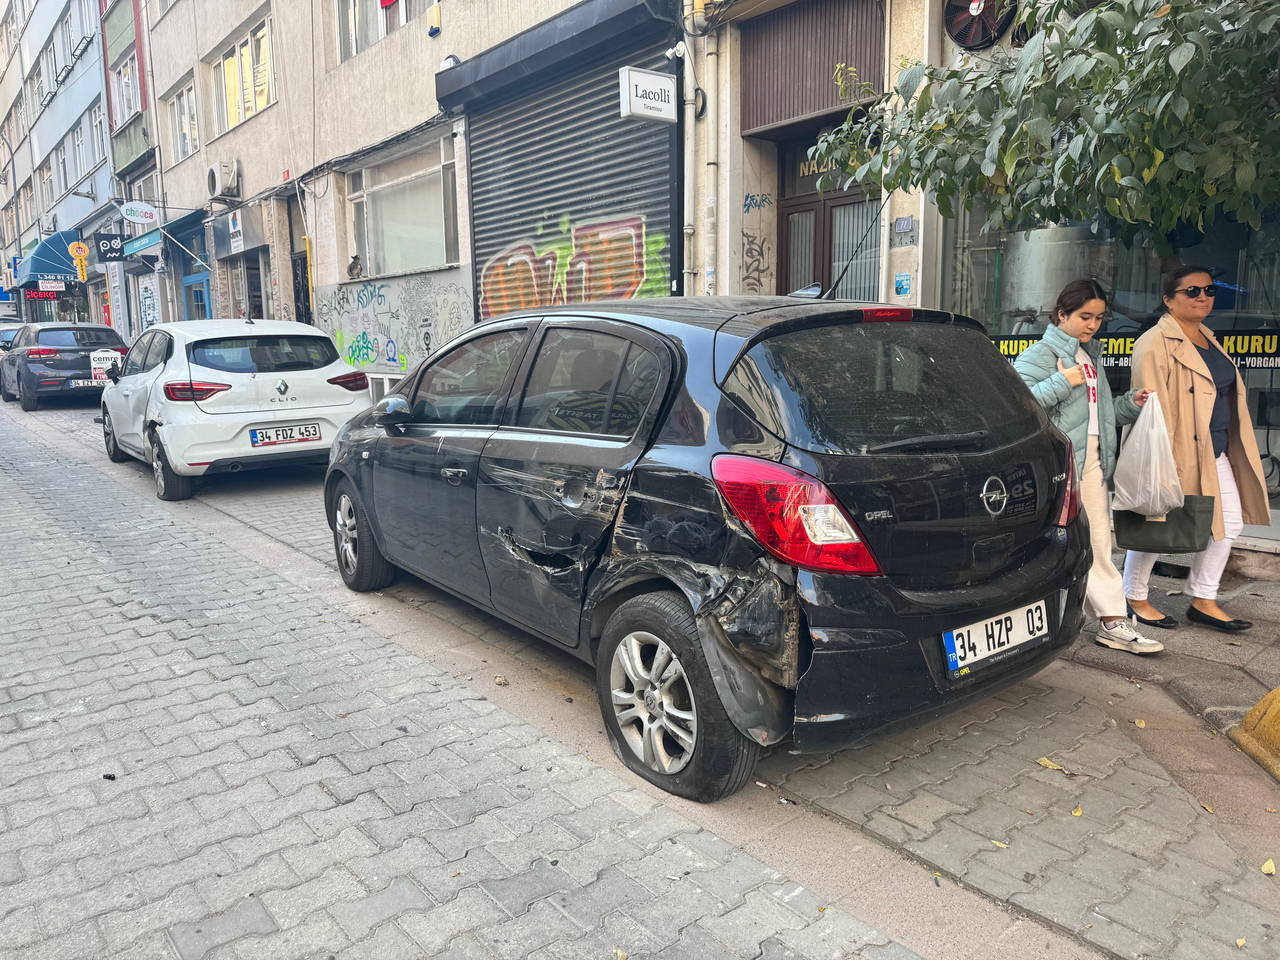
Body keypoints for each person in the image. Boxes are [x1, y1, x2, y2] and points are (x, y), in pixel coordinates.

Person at [1014, 279, 1163, 655]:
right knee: (1083, 542)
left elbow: (1099, 415)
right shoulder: (1040, 355)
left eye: (1099, 318)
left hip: (1091, 464)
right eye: (1085, 316)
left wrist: (1131, 403)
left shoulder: (1089, 356)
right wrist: (1061, 382)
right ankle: (1110, 620)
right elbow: (1019, 407)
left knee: (1095, 541)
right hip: (1061, 467)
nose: (1093, 324)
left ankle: (1099, 619)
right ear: (1061, 314)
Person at [1124, 266, 1269, 633]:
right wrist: (1163, 458)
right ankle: (1134, 596)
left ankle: (1203, 598)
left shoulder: (1207, 337)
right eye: (1192, 291)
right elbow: (1149, 407)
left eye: (1209, 290)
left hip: (1215, 448)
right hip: (1177, 450)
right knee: (1157, 522)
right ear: (1168, 299)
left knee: (1229, 523)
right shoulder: (1154, 342)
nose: (1203, 297)